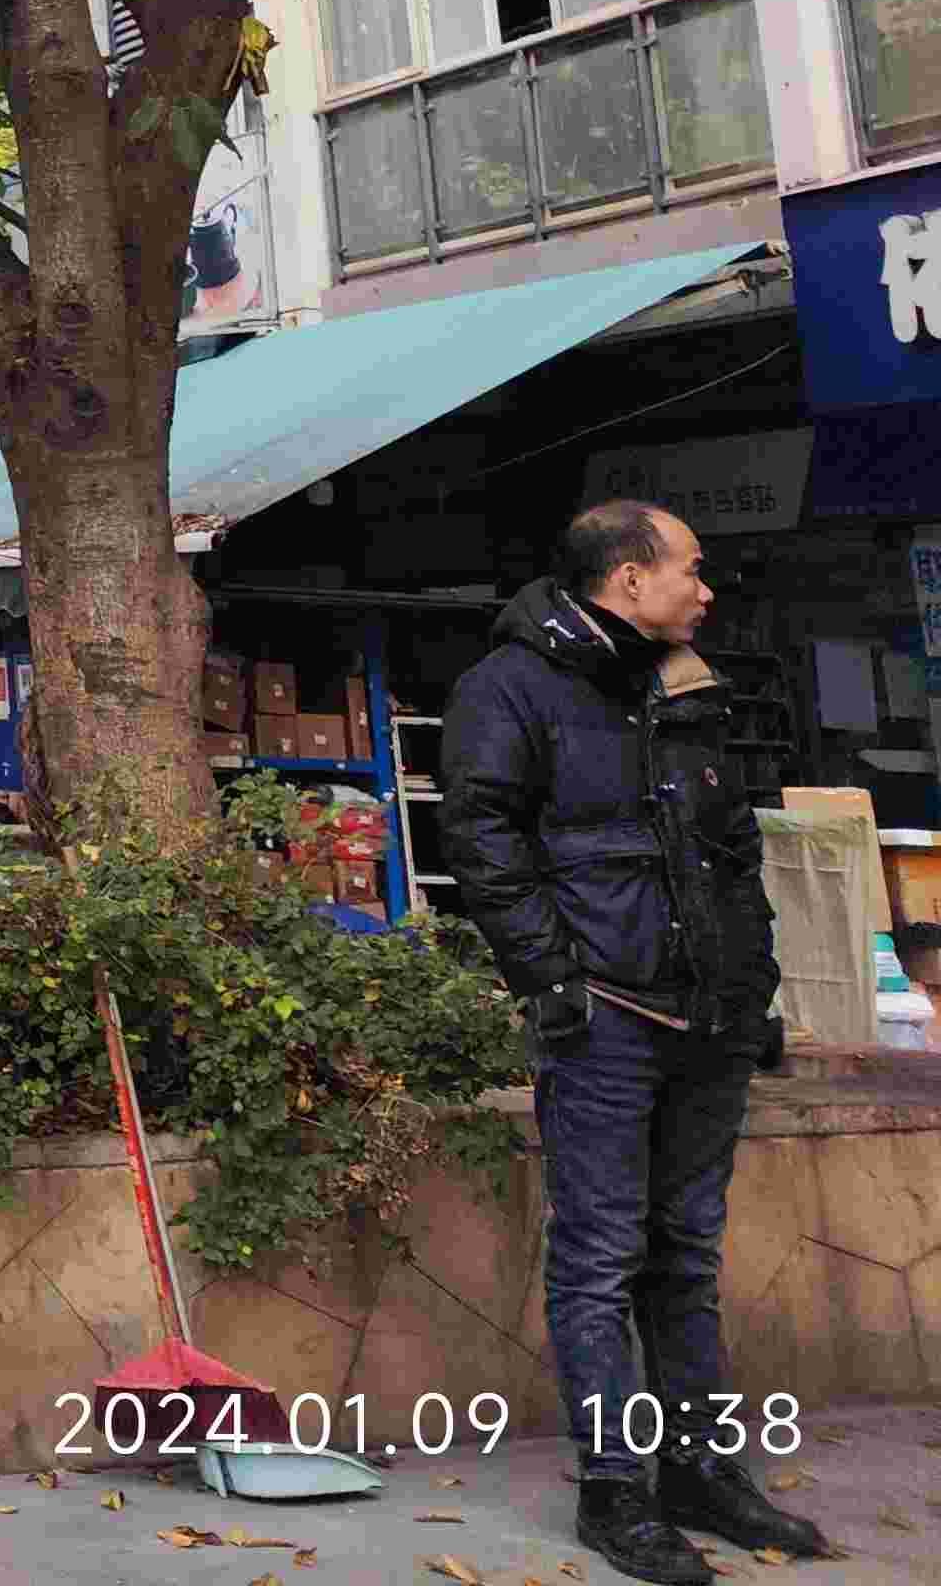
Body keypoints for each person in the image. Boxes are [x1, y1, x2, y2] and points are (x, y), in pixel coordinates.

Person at [446, 501, 829, 1585]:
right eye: (690, 571)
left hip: (710, 1019)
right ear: (627, 579)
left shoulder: (685, 682)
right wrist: (553, 980)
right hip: (605, 1018)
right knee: (600, 1258)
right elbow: (480, 841)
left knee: (686, 1254)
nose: (705, 591)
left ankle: (700, 1472)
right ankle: (616, 1491)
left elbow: (729, 848)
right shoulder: (509, 687)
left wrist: (751, 985)